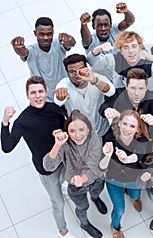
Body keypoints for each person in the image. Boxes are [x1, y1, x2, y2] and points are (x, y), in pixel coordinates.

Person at [0, 76, 73, 238]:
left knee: (64, 180)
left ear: (46, 92)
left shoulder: (55, 108)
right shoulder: (23, 120)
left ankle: (63, 185)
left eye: (40, 91)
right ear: (27, 95)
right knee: (58, 203)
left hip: (63, 159)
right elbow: (7, 147)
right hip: (46, 168)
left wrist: (63, 133)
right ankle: (63, 231)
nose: (38, 95)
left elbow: (66, 126)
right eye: (33, 93)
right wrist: (5, 122)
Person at [43, 110, 106, 238]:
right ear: (67, 132)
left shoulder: (95, 139)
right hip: (76, 187)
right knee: (82, 207)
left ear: (88, 130)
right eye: (72, 131)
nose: (77, 135)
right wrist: (57, 144)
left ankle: (95, 198)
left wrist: (82, 178)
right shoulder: (65, 145)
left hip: (96, 179)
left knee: (96, 193)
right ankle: (84, 224)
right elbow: (48, 166)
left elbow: (92, 166)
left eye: (81, 130)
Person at [99, 110, 151, 238]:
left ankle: (135, 199)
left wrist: (127, 159)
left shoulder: (142, 140)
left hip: (133, 178)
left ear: (138, 130)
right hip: (113, 179)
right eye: (125, 124)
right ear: (119, 124)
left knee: (135, 194)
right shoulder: (110, 137)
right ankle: (115, 227)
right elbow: (102, 167)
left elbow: (137, 157)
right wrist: (106, 155)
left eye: (132, 126)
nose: (127, 129)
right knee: (120, 209)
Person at [11, 17, 76, 102]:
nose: (45, 38)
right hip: (44, 99)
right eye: (41, 34)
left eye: (49, 34)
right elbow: (23, 52)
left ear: (53, 32)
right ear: (35, 33)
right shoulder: (32, 50)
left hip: (65, 92)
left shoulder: (58, 43)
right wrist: (17, 46)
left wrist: (69, 39)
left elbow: (71, 43)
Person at [87, 31, 153, 92]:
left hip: (148, 102)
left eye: (134, 46)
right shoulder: (115, 60)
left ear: (140, 47)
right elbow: (93, 63)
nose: (131, 51)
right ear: (121, 51)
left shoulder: (150, 64)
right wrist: (98, 49)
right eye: (126, 47)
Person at [54, 53, 115, 136]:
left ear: (87, 68)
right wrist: (60, 97)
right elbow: (58, 101)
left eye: (81, 70)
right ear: (67, 73)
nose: (77, 75)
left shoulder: (97, 78)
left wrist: (94, 81)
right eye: (72, 72)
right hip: (80, 135)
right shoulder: (64, 83)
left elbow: (111, 91)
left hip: (103, 131)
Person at [99, 68, 153, 138]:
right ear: (126, 87)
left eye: (141, 88)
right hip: (119, 137)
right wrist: (107, 110)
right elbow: (104, 106)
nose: (136, 93)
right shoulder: (119, 94)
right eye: (133, 88)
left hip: (144, 139)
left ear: (146, 88)